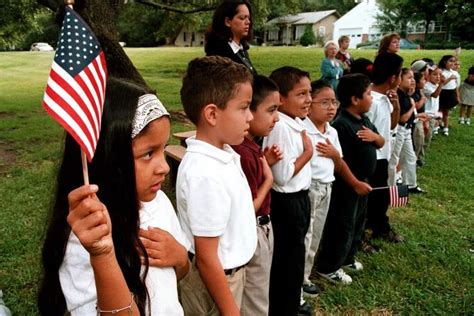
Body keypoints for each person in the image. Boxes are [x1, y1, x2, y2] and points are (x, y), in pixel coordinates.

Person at [37, 77, 190, 315]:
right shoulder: (86, 237)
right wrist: (103, 255)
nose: (165, 167)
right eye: (148, 154)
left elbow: (173, 276)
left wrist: (180, 258)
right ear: (110, 160)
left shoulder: (159, 202)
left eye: (163, 148)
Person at [177, 56, 257, 316]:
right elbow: (207, 258)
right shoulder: (205, 174)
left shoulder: (222, 153)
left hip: (229, 275)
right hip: (215, 282)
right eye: (244, 107)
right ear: (212, 113)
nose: (251, 116)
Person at [301, 80, 371, 296]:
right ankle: (300, 279)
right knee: (306, 235)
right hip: (309, 189)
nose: (331, 107)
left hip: (327, 187)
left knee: (316, 235)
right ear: (310, 104)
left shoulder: (331, 131)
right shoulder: (303, 130)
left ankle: (308, 272)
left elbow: (338, 161)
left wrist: (333, 155)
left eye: (334, 102)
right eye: (324, 102)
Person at [316, 74, 384, 284]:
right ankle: (330, 266)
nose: (372, 99)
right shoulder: (342, 125)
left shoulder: (364, 120)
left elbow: (381, 142)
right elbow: (339, 160)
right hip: (347, 185)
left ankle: (348, 257)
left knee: (357, 222)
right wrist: (354, 182)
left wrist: (375, 138)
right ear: (355, 99)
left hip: (363, 183)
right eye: (368, 94)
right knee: (342, 225)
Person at [262, 66, 313, 316]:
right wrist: (308, 154)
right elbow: (281, 177)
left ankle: (291, 304)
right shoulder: (280, 127)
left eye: (309, 93)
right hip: (286, 202)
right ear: (281, 99)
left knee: (295, 258)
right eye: (301, 94)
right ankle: (284, 308)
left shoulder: (293, 123)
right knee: (287, 262)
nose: (308, 100)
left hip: (299, 199)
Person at [231, 75, 282, 315]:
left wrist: (265, 163)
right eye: (271, 110)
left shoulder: (249, 146)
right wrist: (268, 181)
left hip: (259, 229)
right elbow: (248, 208)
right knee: (256, 301)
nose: (277, 118)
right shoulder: (242, 152)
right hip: (253, 229)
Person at [365, 52, 403, 243]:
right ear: (393, 78)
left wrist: (395, 106)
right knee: (375, 197)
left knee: (381, 195)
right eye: (400, 75)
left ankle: (378, 225)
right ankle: (376, 227)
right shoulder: (369, 100)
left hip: (384, 155)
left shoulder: (386, 98)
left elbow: (392, 126)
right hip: (373, 157)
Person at [388, 68, 426, 193]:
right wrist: (413, 107)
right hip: (398, 130)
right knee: (394, 159)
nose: (413, 81)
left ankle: (410, 184)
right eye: (409, 78)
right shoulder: (397, 95)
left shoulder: (406, 95)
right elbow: (402, 118)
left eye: (413, 78)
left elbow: (410, 117)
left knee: (410, 157)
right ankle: (391, 189)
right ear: (400, 80)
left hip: (407, 130)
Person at [205, 0, 257, 75]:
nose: (248, 22)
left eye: (248, 18)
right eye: (242, 18)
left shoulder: (241, 50)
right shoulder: (218, 54)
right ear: (227, 21)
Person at [410, 70, 429, 166]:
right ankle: (415, 158)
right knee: (418, 139)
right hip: (416, 120)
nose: (425, 81)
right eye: (423, 79)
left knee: (424, 139)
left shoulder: (419, 91)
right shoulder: (413, 93)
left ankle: (420, 157)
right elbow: (416, 107)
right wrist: (422, 99)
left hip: (422, 118)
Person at [438, 55, 459, 136]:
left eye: (454, 61)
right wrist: (450, 78)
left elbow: (456, 85)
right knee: (439, 110)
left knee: (446, 112)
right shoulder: (441, 72)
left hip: (451, 93)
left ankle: (446, 128)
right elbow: (441, 84)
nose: (452, 63)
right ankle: (437, 125)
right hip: (442, 92)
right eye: (450, 61)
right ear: (444, 62)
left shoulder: (455, 72)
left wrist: (457, 96)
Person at [423, 66, 444, 145]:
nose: (438, 77)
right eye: (435, 74)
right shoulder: (426, 86)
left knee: (428, 138)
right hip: (427, 115)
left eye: (440, 74)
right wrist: (441, 84)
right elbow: (435, 95)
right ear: (428, 75)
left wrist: (438, 116)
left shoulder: (436, 85)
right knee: (425, 138)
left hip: (433, 115)